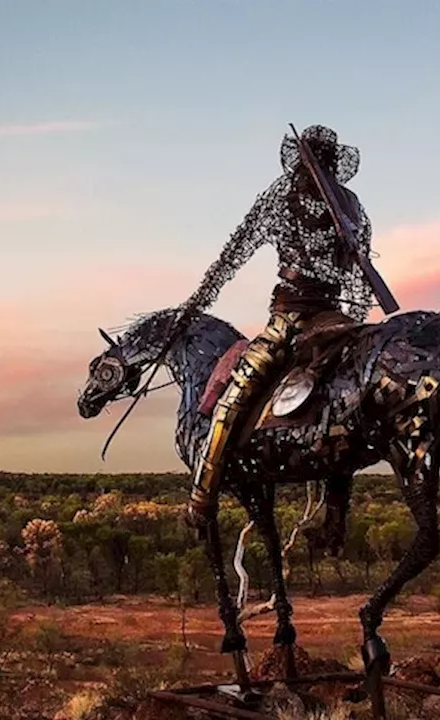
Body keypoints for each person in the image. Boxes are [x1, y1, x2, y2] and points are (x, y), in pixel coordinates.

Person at [177, 124, 376, 527]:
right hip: (335, 315)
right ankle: (335, 513)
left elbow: (233, 255)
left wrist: (196, 302)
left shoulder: (328, 204)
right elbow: (358, 280)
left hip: (297, 317)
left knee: (237, 390)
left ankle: (203, 496)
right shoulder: (345, 204)